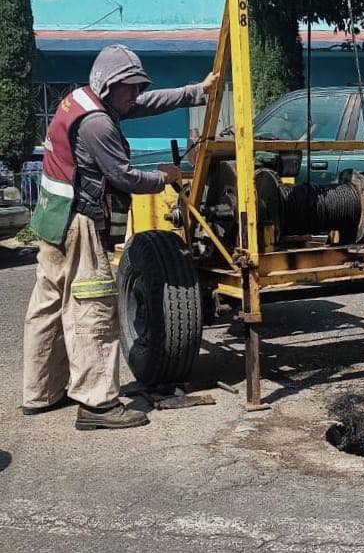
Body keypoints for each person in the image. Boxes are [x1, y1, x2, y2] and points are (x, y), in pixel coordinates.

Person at [21, 44, 217, 430]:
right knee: (93, 309)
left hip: (52, 215)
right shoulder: (98, 124)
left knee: (47, 305)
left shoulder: (83, 101)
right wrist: (167, 177)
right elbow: (124, 177)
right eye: (130, 87)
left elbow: (146, 104)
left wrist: (197, 90)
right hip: (79, 223)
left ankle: (41, 392)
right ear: (108, 84)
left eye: (138, 86)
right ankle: (97, 405)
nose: (136, 94)